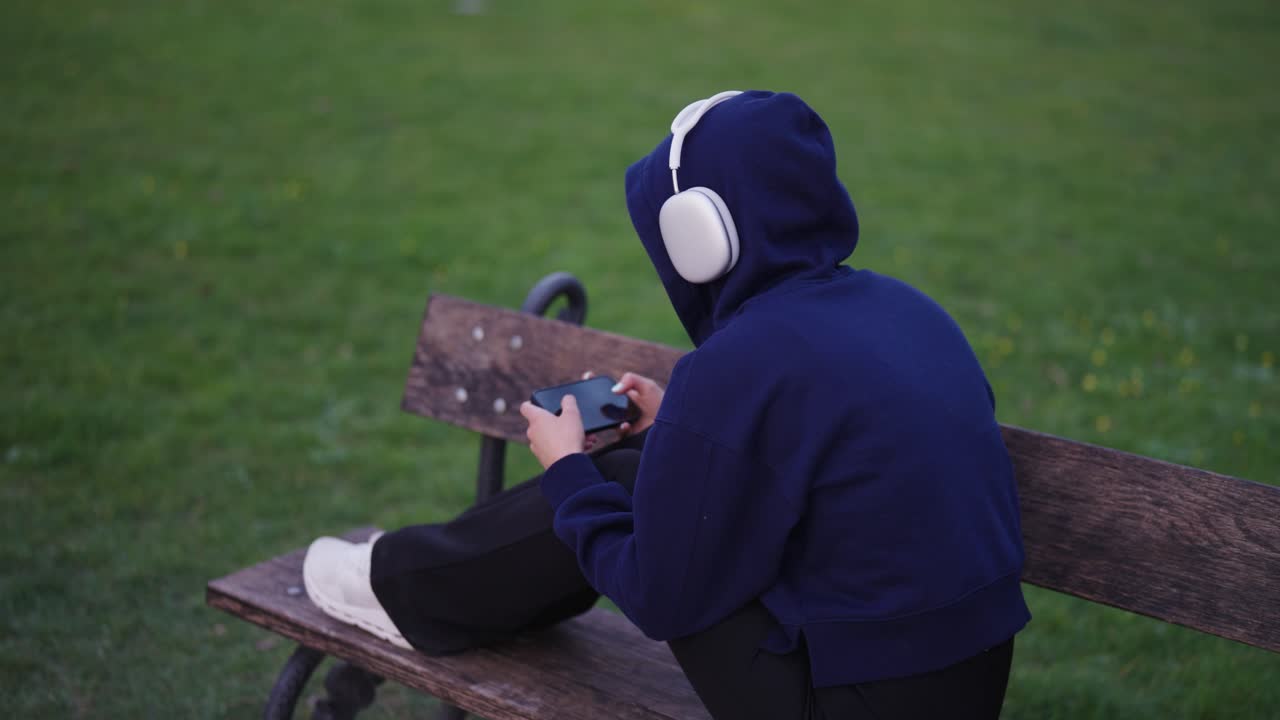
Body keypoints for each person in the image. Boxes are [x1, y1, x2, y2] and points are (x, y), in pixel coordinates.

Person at [303, 90, 1030, 719]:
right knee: (632, 472)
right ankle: (420, 582)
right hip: (960, 692)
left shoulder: (742, 363)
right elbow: (832, 459)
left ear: (699, 238)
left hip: (836, 703)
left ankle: (401, 589)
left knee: (610, 482)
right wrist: (681, 426)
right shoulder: (912, 312)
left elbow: (660, 597)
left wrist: (563, 468)